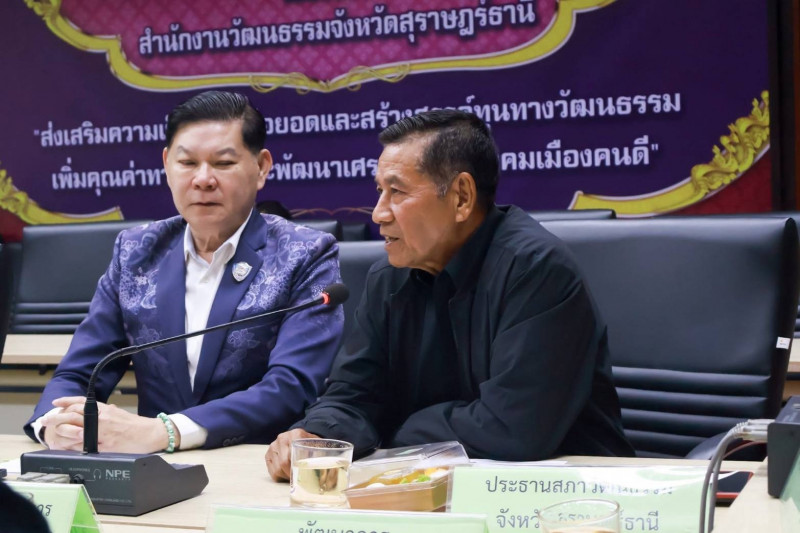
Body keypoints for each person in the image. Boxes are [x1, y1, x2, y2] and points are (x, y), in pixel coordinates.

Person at [266, 110, 634, 480]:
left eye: (397, 192)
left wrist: (396, 427)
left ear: (461, 197)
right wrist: (319, 435)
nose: (378, 213)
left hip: (567, 489)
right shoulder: (388, 278)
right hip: (431, 483)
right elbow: (354, 393)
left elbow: (513, 430)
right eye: (379, 191)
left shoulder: (536, 270)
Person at [25, 91, 344, 453]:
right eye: (188, 163)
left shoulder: (305, 253)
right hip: (154, 472)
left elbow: (290, 386)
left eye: (223, 163)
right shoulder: (136, 251)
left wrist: (167, 431)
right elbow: (80, 372)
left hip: (257, 464)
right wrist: (54, 425)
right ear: (167, 164)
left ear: (262, 167)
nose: (203, 179)